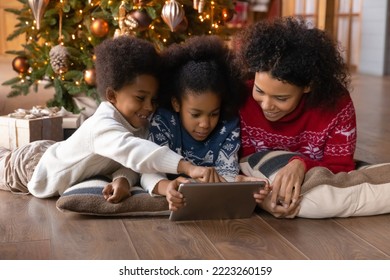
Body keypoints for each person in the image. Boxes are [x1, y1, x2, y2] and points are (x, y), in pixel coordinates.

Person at [0, 36, 221, 203]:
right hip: (31, 166)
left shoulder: (141, 124)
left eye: (153, 99)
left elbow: (136, 164)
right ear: (112, 96)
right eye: (140, 98)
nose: (149, 106)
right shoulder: (103, 125)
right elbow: (132, 151)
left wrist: (124, 180)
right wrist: (187, 167)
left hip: (56, 150)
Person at [233, 17, 357, 217]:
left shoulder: (337, 104)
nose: (266, 105)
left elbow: (341, 166)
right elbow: (226, 162)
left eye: (281, 98)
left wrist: (301, 164)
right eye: (260, 91)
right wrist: (258, 199)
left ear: (308, 86)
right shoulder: (240, 95)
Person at [140, 35, 269, 211]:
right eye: (195, 114)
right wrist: (166, 188)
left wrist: (241, 183)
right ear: (176, 103)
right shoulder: (163, 121)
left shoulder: (228, 125)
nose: (205, 124)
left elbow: (227, 174)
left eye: (213, 113)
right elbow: (148, 172)